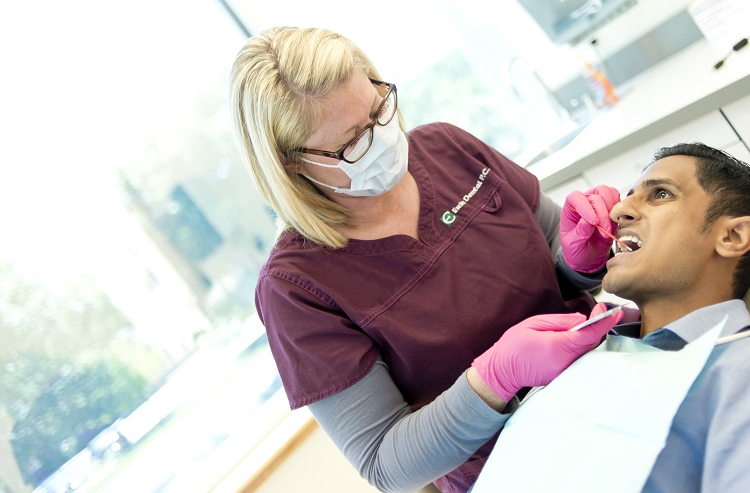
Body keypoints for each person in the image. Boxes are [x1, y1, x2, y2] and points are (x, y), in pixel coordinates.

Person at [228, 27, 626, 493]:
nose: (381, 139)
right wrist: (497, 377)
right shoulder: (295, 287)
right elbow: (385, 464)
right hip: (523, 472)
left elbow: (564, 261)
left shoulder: (448, 148)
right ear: (291, 163)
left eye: (379, 110)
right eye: (352, 143)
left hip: (611, 384)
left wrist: (586, 255)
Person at [473, 142, 750, 492]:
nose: (618, 209)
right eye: (627, 197)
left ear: (732, 237)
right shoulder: (579, 355)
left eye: (660, 194)